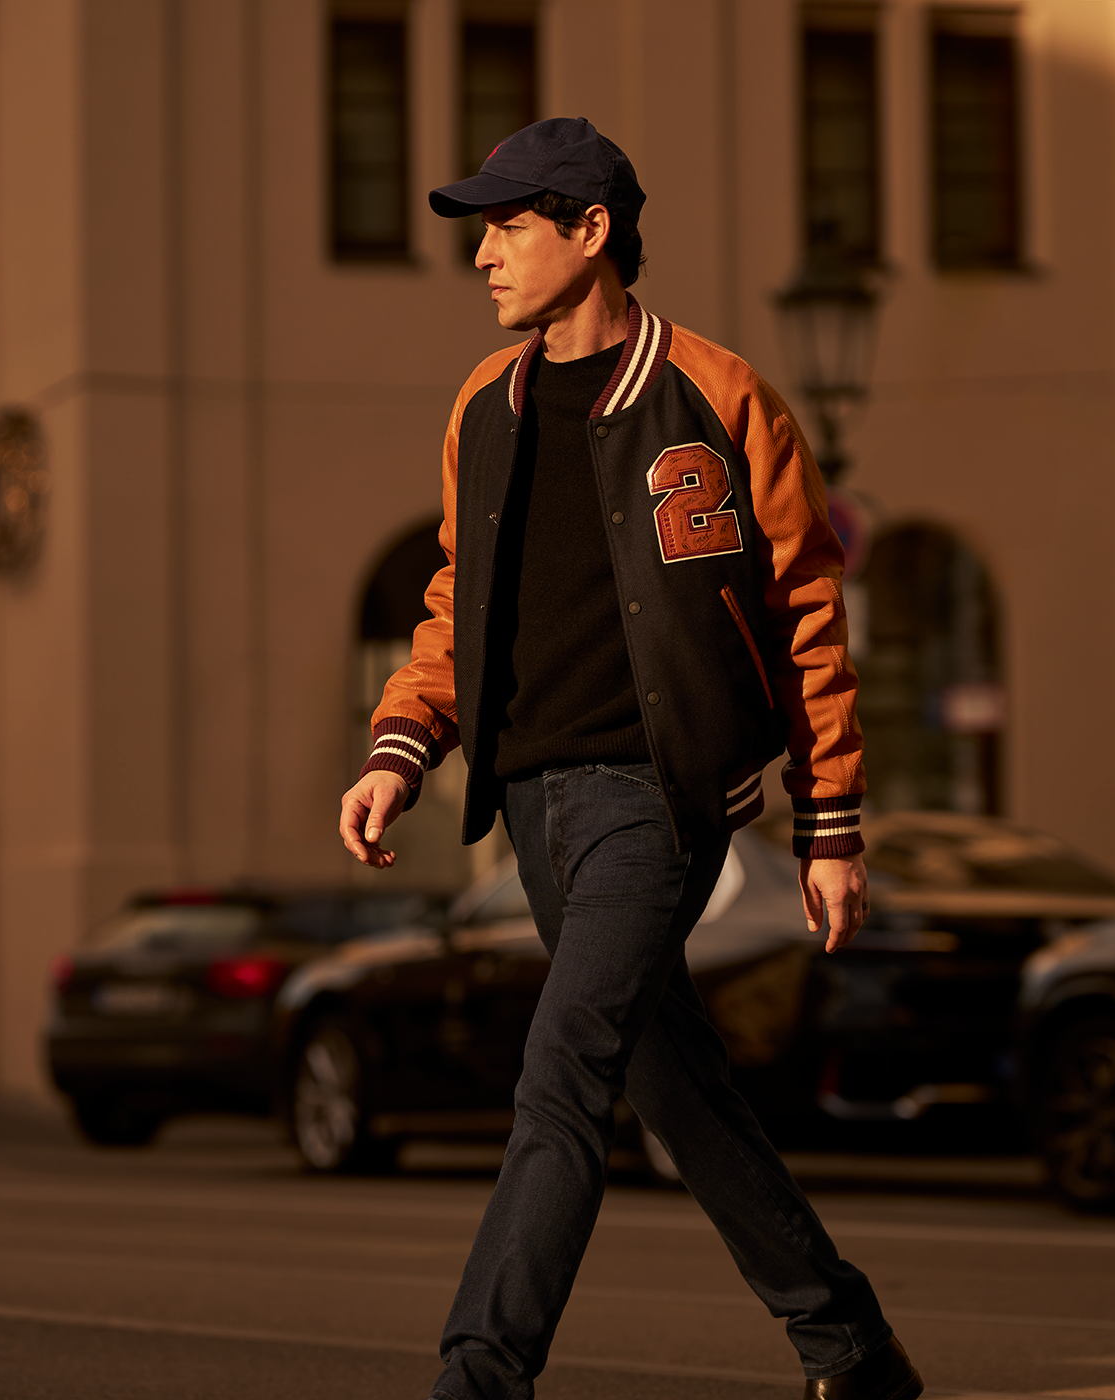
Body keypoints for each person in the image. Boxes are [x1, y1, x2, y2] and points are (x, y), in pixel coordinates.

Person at [337, 117, 925, 1400]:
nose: (483, 254)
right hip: (532, 804)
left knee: (559, 1074)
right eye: (479, 228)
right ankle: (849, 1346)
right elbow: (459, 599)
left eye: (508, 225)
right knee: (675, 1089)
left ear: (590, 230)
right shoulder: (479, 412)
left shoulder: (720, 396)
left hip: (657, 801)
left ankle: (477, 1376)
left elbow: (806, 612)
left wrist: (832, 822)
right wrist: (402, 744)